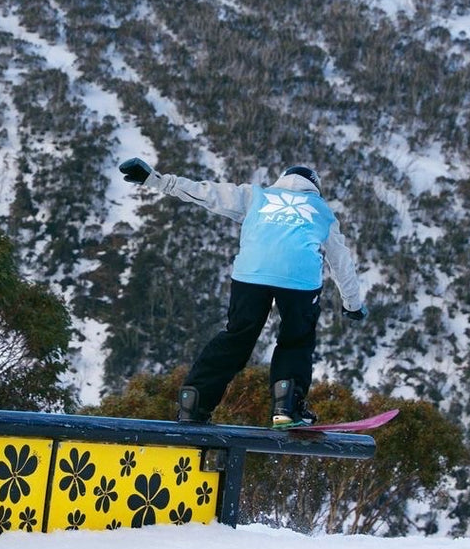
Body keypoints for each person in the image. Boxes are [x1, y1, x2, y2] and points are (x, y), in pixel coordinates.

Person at [118, 157, 367, 427]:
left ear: (281, 180)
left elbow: (207, 193)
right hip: (299, 278)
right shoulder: (321, 210)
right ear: (315, 188)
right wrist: (352, 304)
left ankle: (195, 402)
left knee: (237, 335)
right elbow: (341, 262)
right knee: (297, 338)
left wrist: (155, 180)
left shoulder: (256, 196)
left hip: (251, 273)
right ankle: (287, 406)